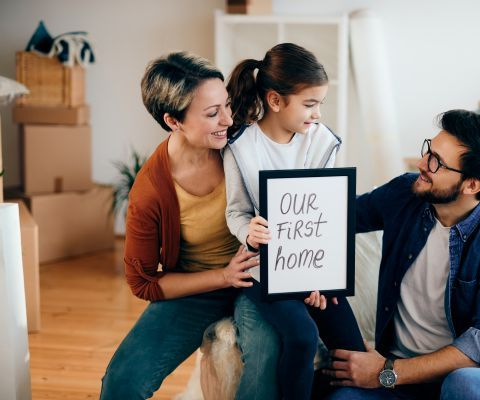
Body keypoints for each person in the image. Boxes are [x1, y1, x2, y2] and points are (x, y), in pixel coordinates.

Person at [100, 51, 279, 400]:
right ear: (173, 121)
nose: (228, 119)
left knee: (265, 362)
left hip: (260, 278)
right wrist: (222, 277)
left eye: (226, 105)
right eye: (212, 113)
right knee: (121, 383)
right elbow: (142, 282)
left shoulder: (244, 142)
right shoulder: (151, 191)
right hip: (201, 287)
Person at [324, 110, 480, 400]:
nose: (422, 163)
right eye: (429, 150)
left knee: (464, 386)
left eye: (437, 162)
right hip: (400, 371)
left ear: (472, 185)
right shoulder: (407, 192)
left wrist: (386, 371)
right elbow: (338, 216)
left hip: (474, 376)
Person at [223, 43, 366, 400]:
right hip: (264, 268)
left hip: (314, 265)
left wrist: (318, 277)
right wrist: (248, 231)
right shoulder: (241, 146)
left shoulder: (322, 142)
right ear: (275, 101)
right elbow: (235, 212)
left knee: (353, 350)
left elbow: (326, 216)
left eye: (320, 104)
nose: (317, 114)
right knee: (301, 336)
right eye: (309, 104)